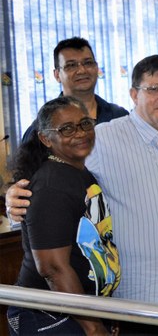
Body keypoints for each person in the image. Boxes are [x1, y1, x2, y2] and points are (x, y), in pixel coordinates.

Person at [6, 55, 158, 335]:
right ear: (134, 94)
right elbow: (49, 178)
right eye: (154, 89)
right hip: (136, 303)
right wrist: (15, 196)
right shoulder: (101, 139)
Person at [7, 97, 120, 336]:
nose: (80, 133)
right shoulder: (51, 185)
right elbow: (52, 268)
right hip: (50, 316)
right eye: (67, 128)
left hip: (80, 312)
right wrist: (93, 327)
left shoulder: (76, 170)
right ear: (46, 138)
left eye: (85, 124)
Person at [21, 37, 128, 143]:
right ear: (57, 75)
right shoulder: (43, 128)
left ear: (96, 68)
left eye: (88, 63)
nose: (82, 70)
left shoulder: (120, 116)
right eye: (71, 65)